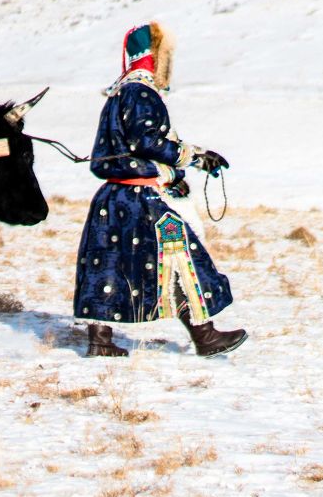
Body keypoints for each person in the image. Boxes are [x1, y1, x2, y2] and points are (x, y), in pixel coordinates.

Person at [71, 22, 248, 358]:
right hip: (141, 199)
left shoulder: (119, 93)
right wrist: (194, 157)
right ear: (155, 58)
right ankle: (205, 336)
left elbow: (129, 149)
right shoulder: (140, 93)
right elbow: (145, 141)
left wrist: (168, 174)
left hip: (114, 196)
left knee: (108, 264)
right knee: (182, 256)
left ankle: (100, 341)